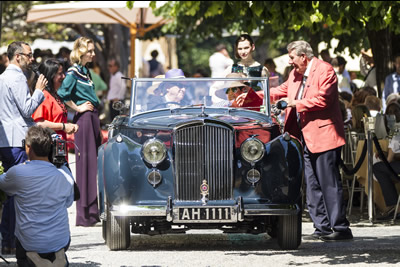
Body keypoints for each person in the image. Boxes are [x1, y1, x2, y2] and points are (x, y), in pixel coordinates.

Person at [237, 40, 352, 241]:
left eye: (291, 57)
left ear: (303, 57)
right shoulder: (295, 74)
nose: (290, 62)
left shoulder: (325, 71)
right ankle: (322, 227)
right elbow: (278, 91)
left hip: (324, 136)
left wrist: (294, 103)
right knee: (311, 183)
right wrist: (250, 95)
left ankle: (340, 228)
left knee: (329, 183)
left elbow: (323, 100)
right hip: (303, 138)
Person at [0, 126, 74, 266]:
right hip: (60, 241)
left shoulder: (18, 173)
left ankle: (31, 259)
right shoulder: (65, 175)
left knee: (23, 247)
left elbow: (2, 184)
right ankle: (58, 257)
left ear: (28, 148)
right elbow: (69, 202)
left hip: (30, 242)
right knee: (57, 242)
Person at [0, 41, 48, 254]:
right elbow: (27, 110)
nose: (32, 59)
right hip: (16, 140)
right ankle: (11, 240)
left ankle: (9, 240)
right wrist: (39, 91)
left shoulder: (2, 77)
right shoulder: (17, 77)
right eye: (29, 55)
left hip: (6, 139)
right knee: (17, 193)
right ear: (17, 57)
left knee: (11, 191)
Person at [57, 36, 101, 227]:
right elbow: (62, 94)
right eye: (89, 50)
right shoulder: (73, 72)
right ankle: (84, 215)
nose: (93, 53)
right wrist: (78, 108)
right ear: (81, 51)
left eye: (92, 50)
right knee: (85, 166)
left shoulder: (85, 71)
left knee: (93, 165)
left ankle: (92, 212)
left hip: (92, 119)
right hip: (84, 120)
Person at [32, 58, 79, 148]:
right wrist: (63, 126)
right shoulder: (44, 95)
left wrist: (67, 126)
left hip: (59, 146)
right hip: (48, 149)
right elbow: (39, 123)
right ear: (51, 76)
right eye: (60, 74)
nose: (64, 76)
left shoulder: (54, 94)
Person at [372, 132, 400, 219]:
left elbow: (388, 161)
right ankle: (395, 206)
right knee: (388, 173)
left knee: (378, 168)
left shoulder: (397, 137)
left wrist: (386, 157)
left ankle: (394, 205)